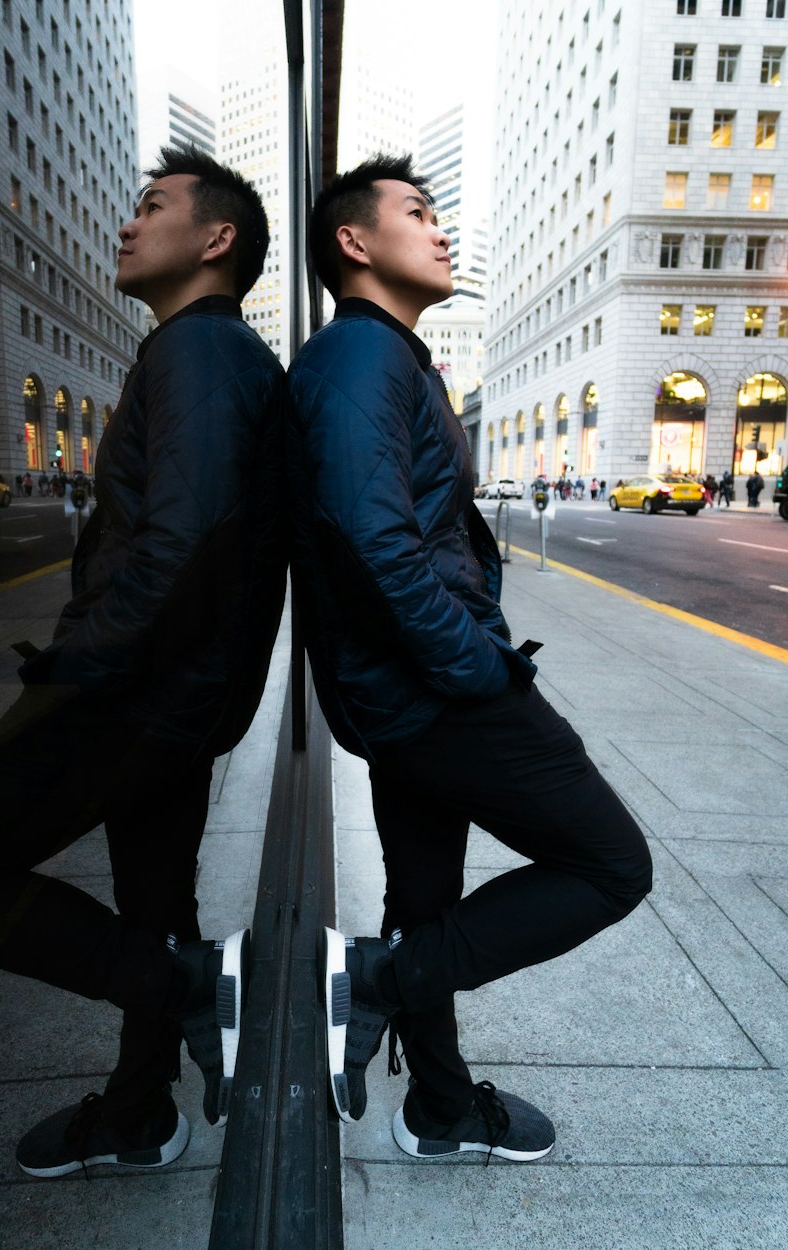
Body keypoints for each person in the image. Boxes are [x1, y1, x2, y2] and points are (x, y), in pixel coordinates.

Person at [0, 147, 287, 1179]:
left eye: (151, 207)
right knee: (154, 904)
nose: (127, 224)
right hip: (177, 700)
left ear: (216, 239)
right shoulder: (208, 352)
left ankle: (183, 985)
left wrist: (80, 667)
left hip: (133, 698)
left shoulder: (199, 353)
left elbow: (186, 535)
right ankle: (137, 1112)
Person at [287, 154, 652, 1164]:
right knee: (610, 861)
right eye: (416, 212)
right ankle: (374, 982)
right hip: (432, 692)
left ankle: (439, 1106)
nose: (441, 230)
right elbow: (371, 538)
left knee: (426, 901)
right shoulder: (360, 357)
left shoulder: (383, 356)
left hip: (401, 691)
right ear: (354, 242)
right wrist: (475, 666)